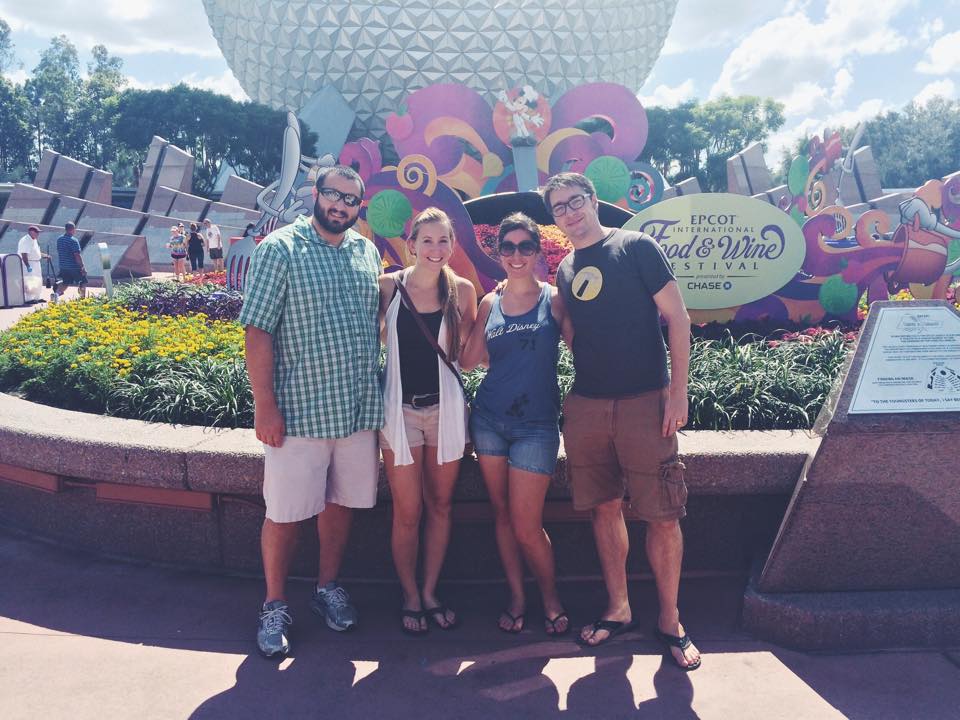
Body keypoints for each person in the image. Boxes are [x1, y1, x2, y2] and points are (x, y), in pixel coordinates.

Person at [546, 172, 701, 671]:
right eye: (558, 208)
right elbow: (572, 328)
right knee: (604, 508)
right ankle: (619, 608)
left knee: (662, 514)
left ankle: (671, 620)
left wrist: (677, 392)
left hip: (644, 402)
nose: (569, 213)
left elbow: (679, 318)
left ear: (593, 201)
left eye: (575, 201)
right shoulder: (566, 268)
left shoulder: (636, 247)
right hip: (589, 406)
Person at [238, 165, 383, 659]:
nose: (340, 205)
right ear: (316, 194)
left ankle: (326, 588)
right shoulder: (280, 248)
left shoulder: (366, 252)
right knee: (283, 513)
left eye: (350, 199)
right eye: (333, 195)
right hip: (299, 411)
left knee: (340, 504)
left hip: (355, 410)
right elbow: (258, 330)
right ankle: (274, 605)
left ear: (359, 206)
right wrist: (265, 406)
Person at [460, 212, 572, 636]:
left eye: (525, 246)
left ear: (537, 251)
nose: (516, 254)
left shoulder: (554, 300)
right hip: (489, 421)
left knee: (527, 524)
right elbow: (469, 361)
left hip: (536, 426)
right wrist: (466, 316)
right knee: (503, 515)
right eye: (508, 247)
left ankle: (551, 597)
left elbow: (584, 350)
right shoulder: (490, 303)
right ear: (498, 252)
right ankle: (517, 597)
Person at [378, 207, 477, 635]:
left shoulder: (464, 291)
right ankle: (410, 595)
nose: (436, 249)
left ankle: (431, 591)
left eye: (443, 241)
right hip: (399, 412)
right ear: (411, 245)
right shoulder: (387, 287)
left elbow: (468, 355)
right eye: (428, 240)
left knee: (440, 505)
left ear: (452, 246)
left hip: (445, 412)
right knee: (407, 511)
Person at [54, 222, 87, 302]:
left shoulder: (59, 239)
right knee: (83, 281)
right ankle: (82, 300)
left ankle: (56, 294)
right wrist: (82, 267)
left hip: (63, 266)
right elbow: (77, 255)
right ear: (73, 229)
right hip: (73, 266)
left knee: (65, 283)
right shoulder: (74, 241)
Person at [17, 225, 49, 303]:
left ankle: (37, 297)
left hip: (36, 263)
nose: (38, 234)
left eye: (38, 232)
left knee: (38, 280)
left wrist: (45, 256)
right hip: (29, 263)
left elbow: (36, 252)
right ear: (31, 232)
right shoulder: (25, 240)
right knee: (29, 281)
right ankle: (28, 299)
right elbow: (24, 254)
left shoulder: (34, 240)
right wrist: (28, 266)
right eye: (36, 232)